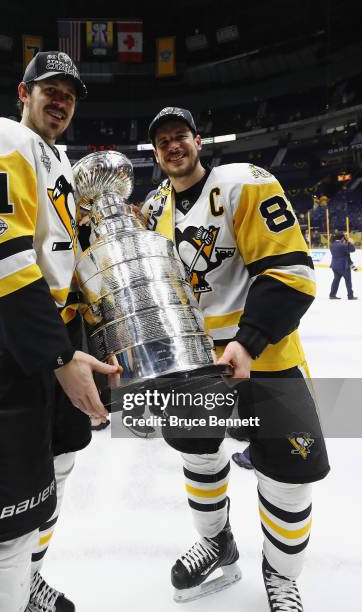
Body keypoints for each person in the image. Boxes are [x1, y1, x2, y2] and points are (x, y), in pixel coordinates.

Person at [0, 51, 119, 612]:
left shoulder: (61, 165)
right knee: (4, 525)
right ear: (24, 93)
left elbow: (69, 261)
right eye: (50, 88)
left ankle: (27, 582)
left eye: (70, 92)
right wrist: (58, 356)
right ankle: (9, 587)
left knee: (53, 475)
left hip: (55, 335)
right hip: (5, 338)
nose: (62, 98)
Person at [143, 107, 330, 611]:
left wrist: (247, 342)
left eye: (180, 135)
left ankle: (281, 574)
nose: (172, 145)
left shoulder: (244, 184)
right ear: (156, 154)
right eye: (162, 141)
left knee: (290, 474)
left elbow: (291, 273)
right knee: (199, 454)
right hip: (193, 368)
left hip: (264, 358)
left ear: (198, 141)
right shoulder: (153, 208)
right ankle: (218, 543)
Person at [329, 232, 357, 299]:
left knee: (336, 280)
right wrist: (349, 242)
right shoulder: (343, 245)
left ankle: (332, 294)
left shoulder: (332, 244)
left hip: (334, 265)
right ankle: (350, 296)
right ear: (342, 237)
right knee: (348, 281)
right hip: (343, 266)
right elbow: (353, 249)